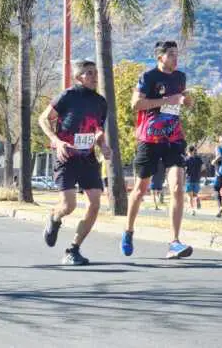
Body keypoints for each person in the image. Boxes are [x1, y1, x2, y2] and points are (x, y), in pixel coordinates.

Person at [122, 41, 194, 260]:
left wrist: (187, 100)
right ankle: (128, 230)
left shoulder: (180, 77)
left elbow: (183, 101)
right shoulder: (148, 77)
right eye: (171, 54)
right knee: (140, 190)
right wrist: (165, 100)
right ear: (160, 57)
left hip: (174, 138)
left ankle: (174, 242)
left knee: (177, 188)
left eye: (177, 54)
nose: (175, 58)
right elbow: (135, 104)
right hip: (149, 139)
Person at [39, 59, 110, 266]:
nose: (94, 76)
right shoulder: (68, 96)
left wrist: (103, 145)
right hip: (66, 156)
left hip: (87, 157)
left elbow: (97, 130)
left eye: (95, 72)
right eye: (89, 73)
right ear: (79, 77)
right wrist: (57, 141)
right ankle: (55, 217)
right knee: (68, 206)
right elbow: (43, 119)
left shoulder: (100, 102)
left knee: (94, 204)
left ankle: (73, 249)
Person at [184, 145, 203, 216]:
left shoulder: (186, 159)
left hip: (189, 179)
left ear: (188, 151)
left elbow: (184, 169)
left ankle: (192, 210)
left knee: (190, 196)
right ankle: (197, 198)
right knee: (194, 195)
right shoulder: (198, 159)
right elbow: (203, 167)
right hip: (197, 179)